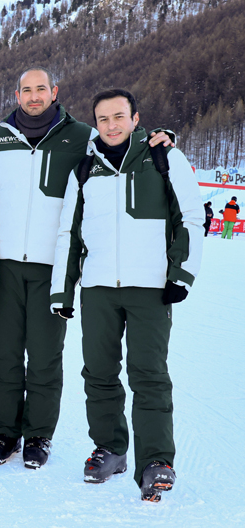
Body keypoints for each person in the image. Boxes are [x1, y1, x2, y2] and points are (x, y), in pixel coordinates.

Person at [0, 67, 173, 470]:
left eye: (41, 88)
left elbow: (122, 142)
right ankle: (4, 432)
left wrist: (160, 136)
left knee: (45, 357)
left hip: (52, 265)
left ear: (54, 91)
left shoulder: (82, 136)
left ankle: (38, 435)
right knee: (4, 355)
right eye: (27, 90)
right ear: (17, 95)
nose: (34, 96)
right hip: (6, 265)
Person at [51, 88, 203, 502]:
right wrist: (63, 290)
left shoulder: (163, 157)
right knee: (99, 373)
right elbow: (69, 231)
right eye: (103, 118)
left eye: (119, 116)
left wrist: (181, 273)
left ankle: (156, 461)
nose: (111, 125)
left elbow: (190, 217)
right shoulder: (86, 168)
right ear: (95, 123)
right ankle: (110, 449)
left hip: (149, 287)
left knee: (148, 374)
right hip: (98, 287)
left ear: (135, 118)